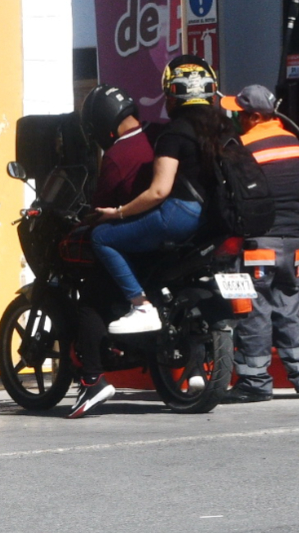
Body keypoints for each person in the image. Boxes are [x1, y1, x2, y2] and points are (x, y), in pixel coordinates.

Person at [89, 55, 234, 334]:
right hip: (217, 216)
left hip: (180, 215)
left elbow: (158, 191)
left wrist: (118, 212)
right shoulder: (224, 129)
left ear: (172, 96)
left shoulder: (172, 133)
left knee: (101, 237)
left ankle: (141, 306)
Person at [221, 85, 299, 403]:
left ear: (254, 116)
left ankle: (254, 382)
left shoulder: (242, 146)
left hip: (258, 245)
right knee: (289, 309)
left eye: (239, 113)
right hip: (293, 244)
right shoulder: (294, 143)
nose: (234, 118)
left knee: (253, 310)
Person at [67, 84, 154, 419]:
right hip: (173, 237)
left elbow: (99, 207)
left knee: (90, 299)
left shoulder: (118, 156)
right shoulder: (156, 137)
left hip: (136, 240)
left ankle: (92, 379)